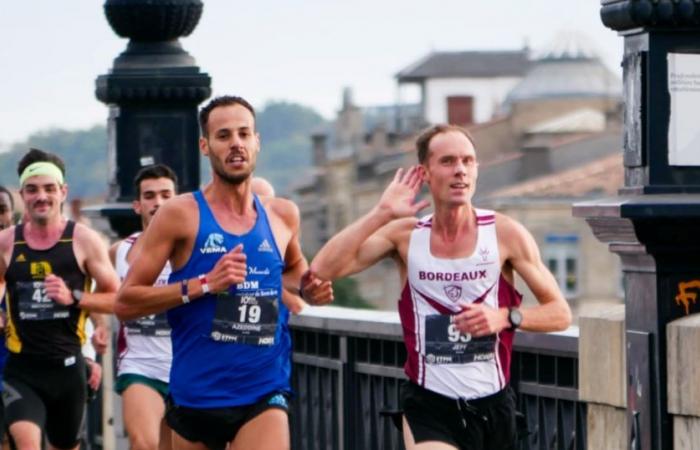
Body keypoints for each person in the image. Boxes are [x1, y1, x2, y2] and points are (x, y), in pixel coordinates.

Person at [310, 124, 572, 450]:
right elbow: (323, 268)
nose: (460, 170)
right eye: (448, 161)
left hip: (493, 405)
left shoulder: (506, 234)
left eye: (468, 161)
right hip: (428, 403)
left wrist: (505, 317)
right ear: (426, 173)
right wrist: (381, 213)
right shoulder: (406, 236)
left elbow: (560, 312)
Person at [115, 95, 333, 450]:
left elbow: (293, 271)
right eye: (224, 135)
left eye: (244, 134)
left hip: (263, 389)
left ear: (256, 142)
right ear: (205, 145)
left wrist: (311, 290)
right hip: (196, 396)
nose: (236, 143)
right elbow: (126, 302)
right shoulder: (179, 214)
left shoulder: (282, 216)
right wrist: (204, 284)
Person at [0, 148, 119, 450]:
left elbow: (117, 296)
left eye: (49, 189)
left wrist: (75, 298)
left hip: (67, 369)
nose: (42, 196)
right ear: (23, 194)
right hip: (22, 369)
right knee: (26, 443)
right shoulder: (7, 242)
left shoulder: (83, 241)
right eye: (32, 189)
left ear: (63, 191)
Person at [109, 164, 178, 450]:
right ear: (137, 205)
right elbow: (99, 293)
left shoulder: (195, 250)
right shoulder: (119, 252)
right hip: (140, 364)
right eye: (149, 196)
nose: (158, 202)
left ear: (178, 200)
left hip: (186, 364)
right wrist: (96, 329)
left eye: (165, 194)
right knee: (144, 443)